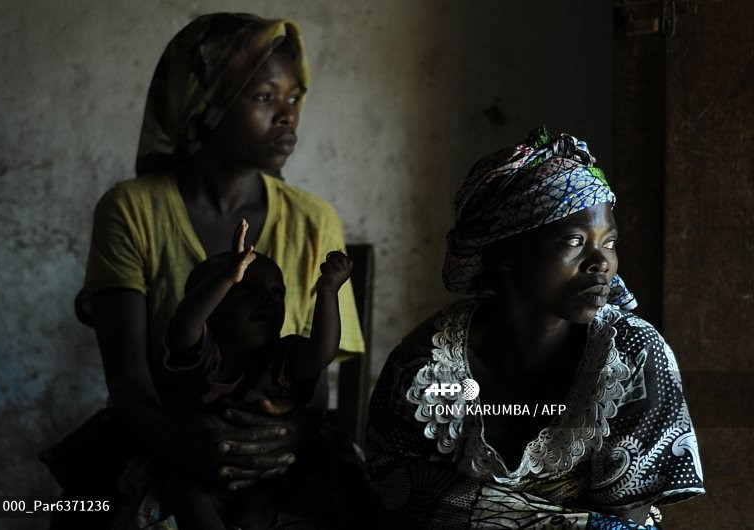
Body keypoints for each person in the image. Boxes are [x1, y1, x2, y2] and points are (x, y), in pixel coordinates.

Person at [44, 12, 365, 529]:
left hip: (276, 439)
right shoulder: (131, 210)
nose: (287, 115)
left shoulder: (313, 219)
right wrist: (184, 444)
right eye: (264, 97)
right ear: (206, 102)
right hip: (161, 433)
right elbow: (128, 379)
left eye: (294, 97)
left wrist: (286, 436)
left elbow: (313, 379)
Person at [365, 127, 704, 529]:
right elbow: (395, 497)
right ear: (506, 252)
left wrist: (466, 506)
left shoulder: (632, 356)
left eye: (609, 242)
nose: (602, 262)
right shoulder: (425, 365)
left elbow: (622, 523)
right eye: (575, 241)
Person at [154, 219, 353, 529]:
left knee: (265, 503)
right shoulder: (201, 354)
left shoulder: (281, 359)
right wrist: (227, 278)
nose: (266, 299)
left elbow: (321, 353)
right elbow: (184, 323)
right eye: (245, 288)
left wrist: (327, 293)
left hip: (262, 474)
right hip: (196, 467)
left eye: (277, 293)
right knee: (187, 493)